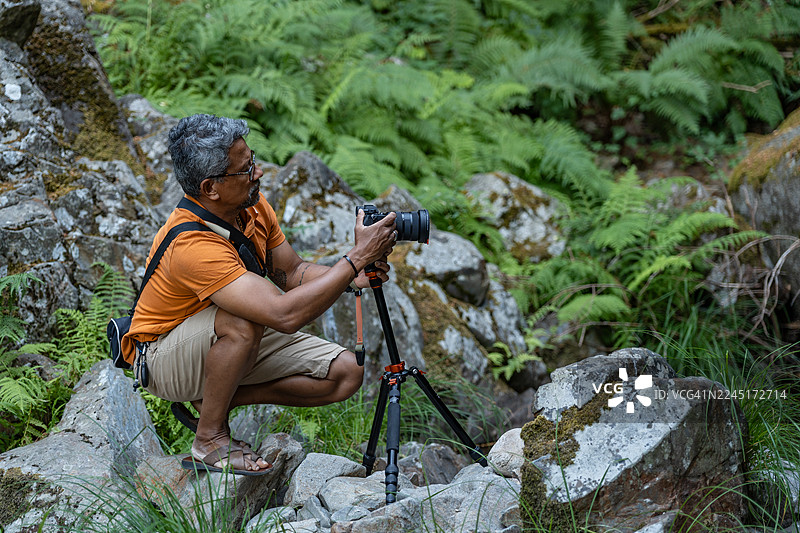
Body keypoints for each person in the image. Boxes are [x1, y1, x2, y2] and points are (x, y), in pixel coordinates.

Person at [122, 114, 397, 475]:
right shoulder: (191, 244)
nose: (258, 173)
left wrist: (350, 276)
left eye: (253, 160)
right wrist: (355, 257)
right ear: (211, 188)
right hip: (162, 356)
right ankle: (209, 439)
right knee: (245, 320)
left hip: (220, 340)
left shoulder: (249, 206)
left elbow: (293, 272)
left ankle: (213, 400)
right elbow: (283, 315)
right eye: (246, 168)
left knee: (346, 373)